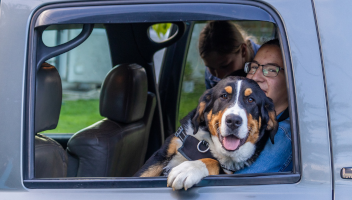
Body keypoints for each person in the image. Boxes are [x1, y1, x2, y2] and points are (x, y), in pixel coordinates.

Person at [236, 39, 292, 173]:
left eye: (271, 70)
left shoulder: (283, 135)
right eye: (254, 67)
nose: (255, 77)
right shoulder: (248, 119)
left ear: (291, 79)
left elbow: (239, 187)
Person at [198, 21, 260, 89]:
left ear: (243, 50)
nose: (218, 75)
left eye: (225, 66)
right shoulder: (212, 72)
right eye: (211, 68)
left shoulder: (268, 63)